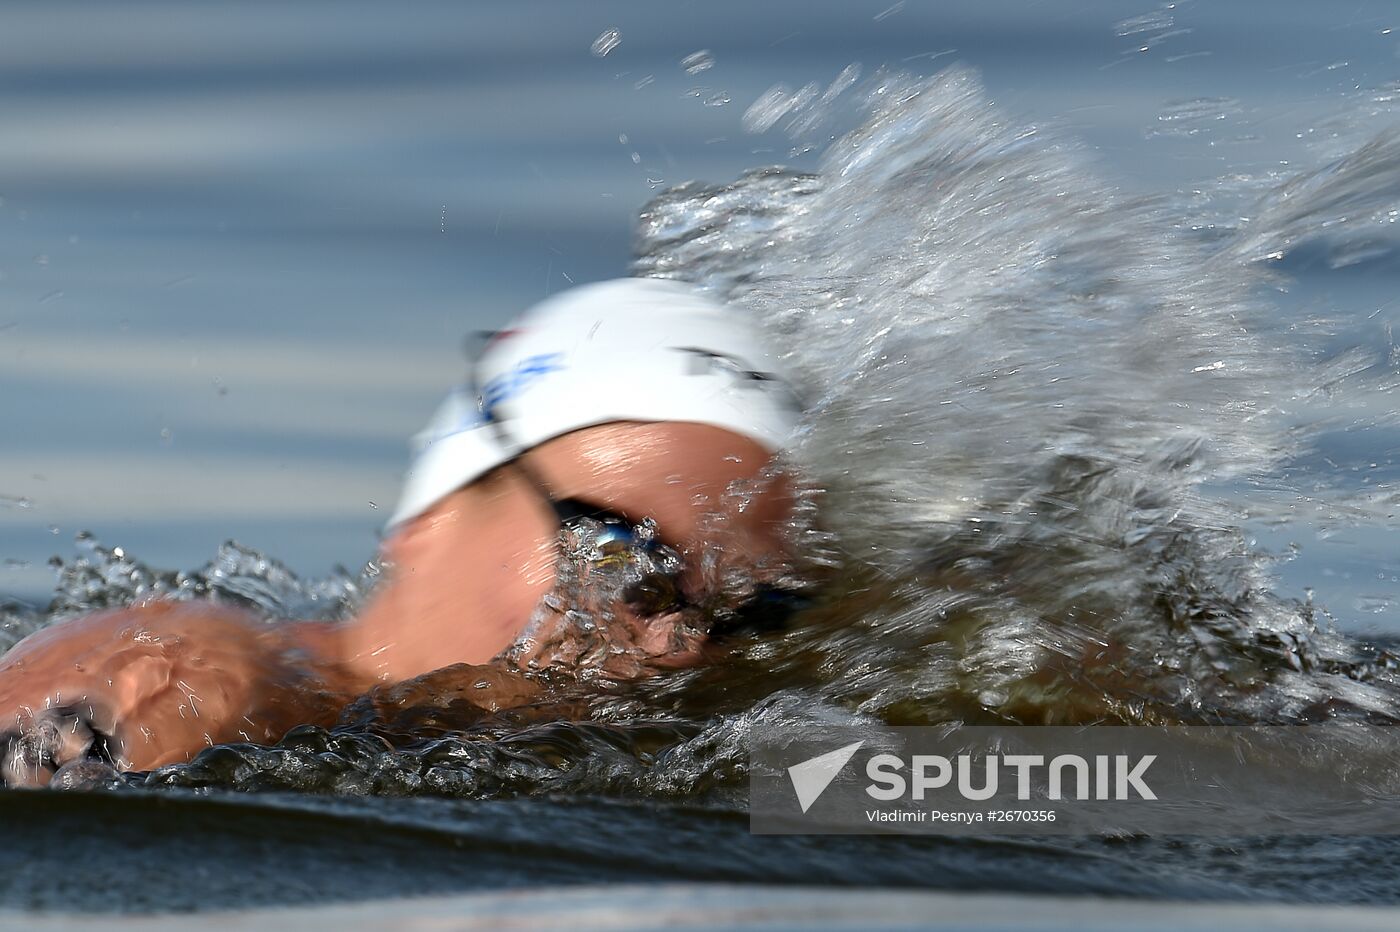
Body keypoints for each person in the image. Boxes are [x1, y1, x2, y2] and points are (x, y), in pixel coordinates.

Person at [0, 278, 802, 787]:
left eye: (738, 606)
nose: (676, 646)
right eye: (623, 553)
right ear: (431, 517)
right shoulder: (223, 678)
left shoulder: (681, 751)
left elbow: (912, 802)